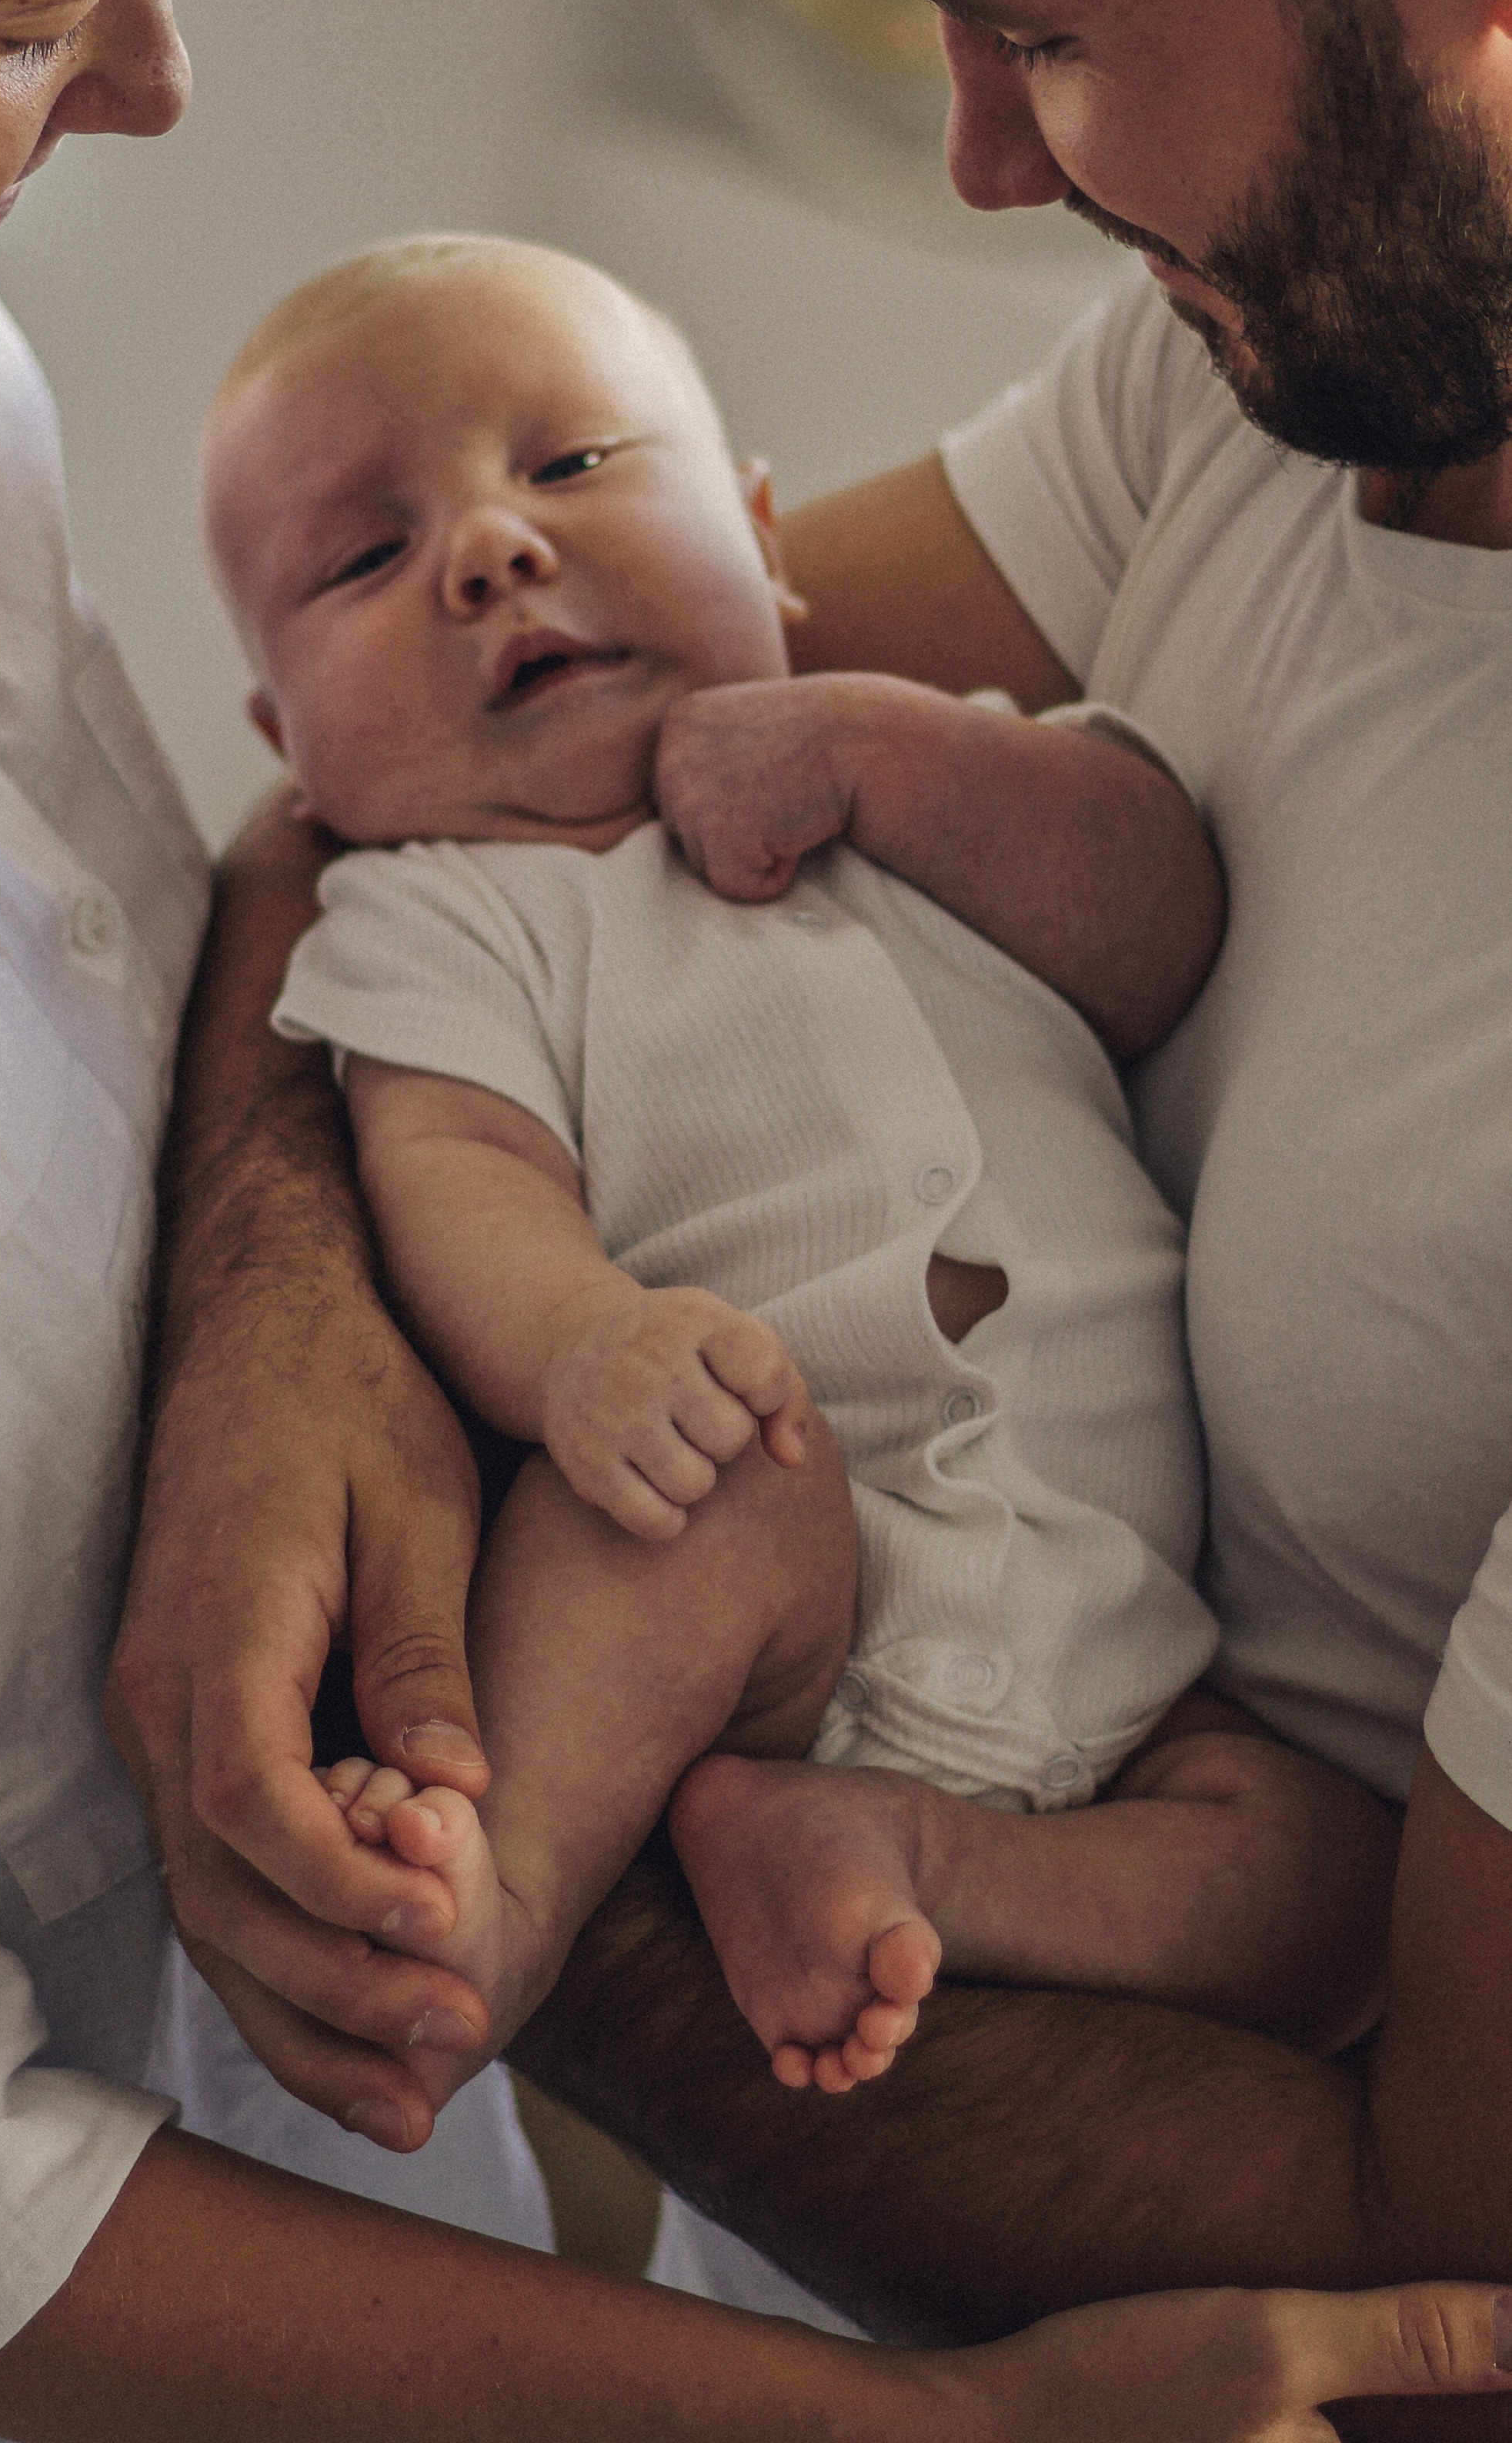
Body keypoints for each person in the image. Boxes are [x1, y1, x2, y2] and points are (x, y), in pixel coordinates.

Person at [0, 0, 1490, 2438]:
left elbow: (1429, 2256)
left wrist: (483, 1875)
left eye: (1036, 26)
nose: (974, 165)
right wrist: (298, 1345)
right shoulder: (1251, 383)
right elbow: (439, 785)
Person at [197, 226, 1402, 2115]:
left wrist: (883, 755)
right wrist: (583, 1340)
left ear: (764, 534)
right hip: (767, 1600)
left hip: (1128, 1646)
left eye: (571, 461)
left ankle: (911, 1859)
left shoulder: (927, 774)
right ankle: (500, 1906)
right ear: (289, 742)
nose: (490, 548)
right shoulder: (442, 915)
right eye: (363, 556)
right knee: (700, 1495)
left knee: (1336, 1890)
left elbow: (1159, 928)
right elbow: (456, 1165)